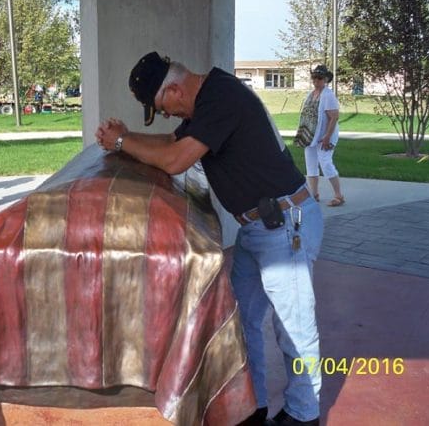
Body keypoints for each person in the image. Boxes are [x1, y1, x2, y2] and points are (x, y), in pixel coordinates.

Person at [96, 52, 324, 426]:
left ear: (173, 89)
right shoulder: (205, 103)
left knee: (293, 327)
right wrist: (124, 138)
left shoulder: (221, 97)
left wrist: (122, 142)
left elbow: (174, 159)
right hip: (258, 227)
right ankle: (256, 407)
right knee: (242, 324)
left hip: (285, 224)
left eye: (161, 106)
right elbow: (171, 141)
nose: (166, 114)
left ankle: (304, 415)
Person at [294, 65, 344, 207]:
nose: (316, 80)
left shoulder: (328, 95)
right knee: (311, 165)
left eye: (320, 77)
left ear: (326, 79)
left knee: (326, 163)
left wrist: (327, 137)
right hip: (311, 136)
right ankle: (314, 194)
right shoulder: (311, 94)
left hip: (325, 136)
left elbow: (334, 117)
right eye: (314, 77)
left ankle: (339, 196)